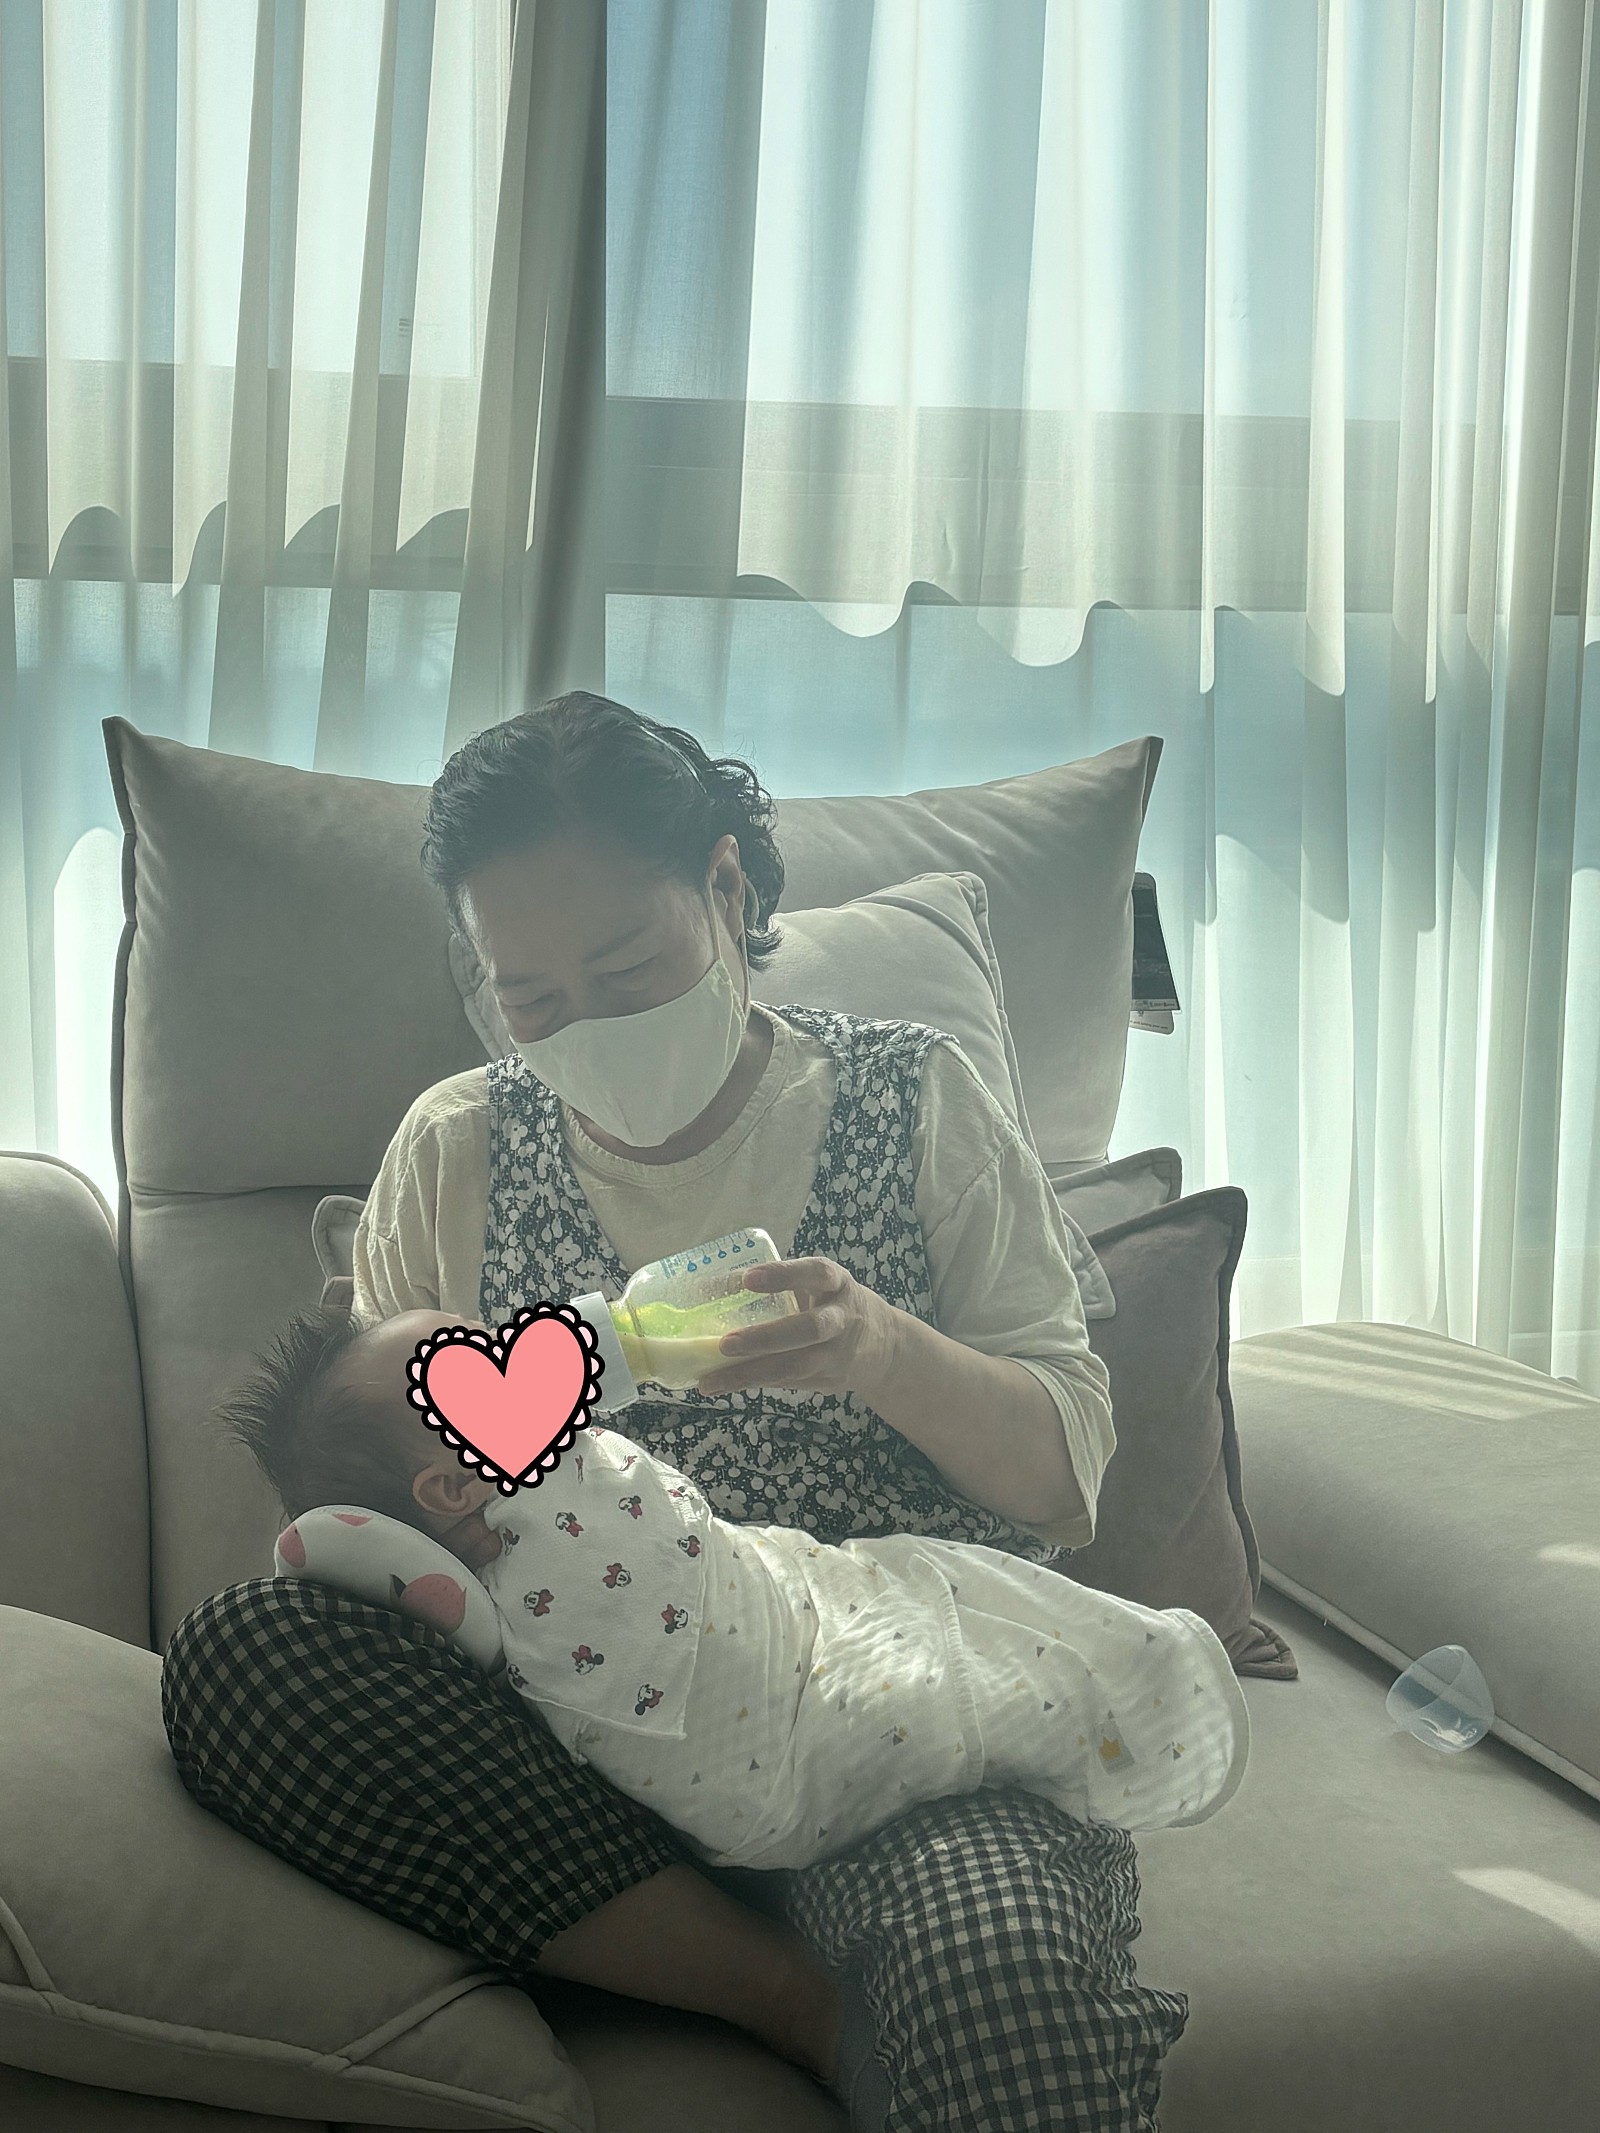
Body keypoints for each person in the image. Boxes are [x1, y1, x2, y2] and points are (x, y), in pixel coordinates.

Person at [161, 690, 1196, 2131]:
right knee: (241, 1656)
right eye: (531, 999)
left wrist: (880, 1351)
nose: (582, 1026)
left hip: (899, 1745)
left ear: (725, 888)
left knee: (1004, 1985)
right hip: (584, 1758)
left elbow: (1060, 1477)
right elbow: (373, 1513)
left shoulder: (917, 1098)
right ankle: (792, 2000)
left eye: (627, 967)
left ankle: (840, 1967)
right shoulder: (456, 1149)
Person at [222, 1304, 1251, 1868]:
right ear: (451, 1483)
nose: (506, 1345)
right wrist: (617, 1333)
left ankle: (1127, 1699)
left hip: (772, 1689)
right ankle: (1149, 1704)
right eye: (470, 1361)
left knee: (941, 1598)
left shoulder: (494, 1585)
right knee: (954, 1676)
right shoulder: (537, 1512)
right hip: (788, 1724)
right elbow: (589, 1370)